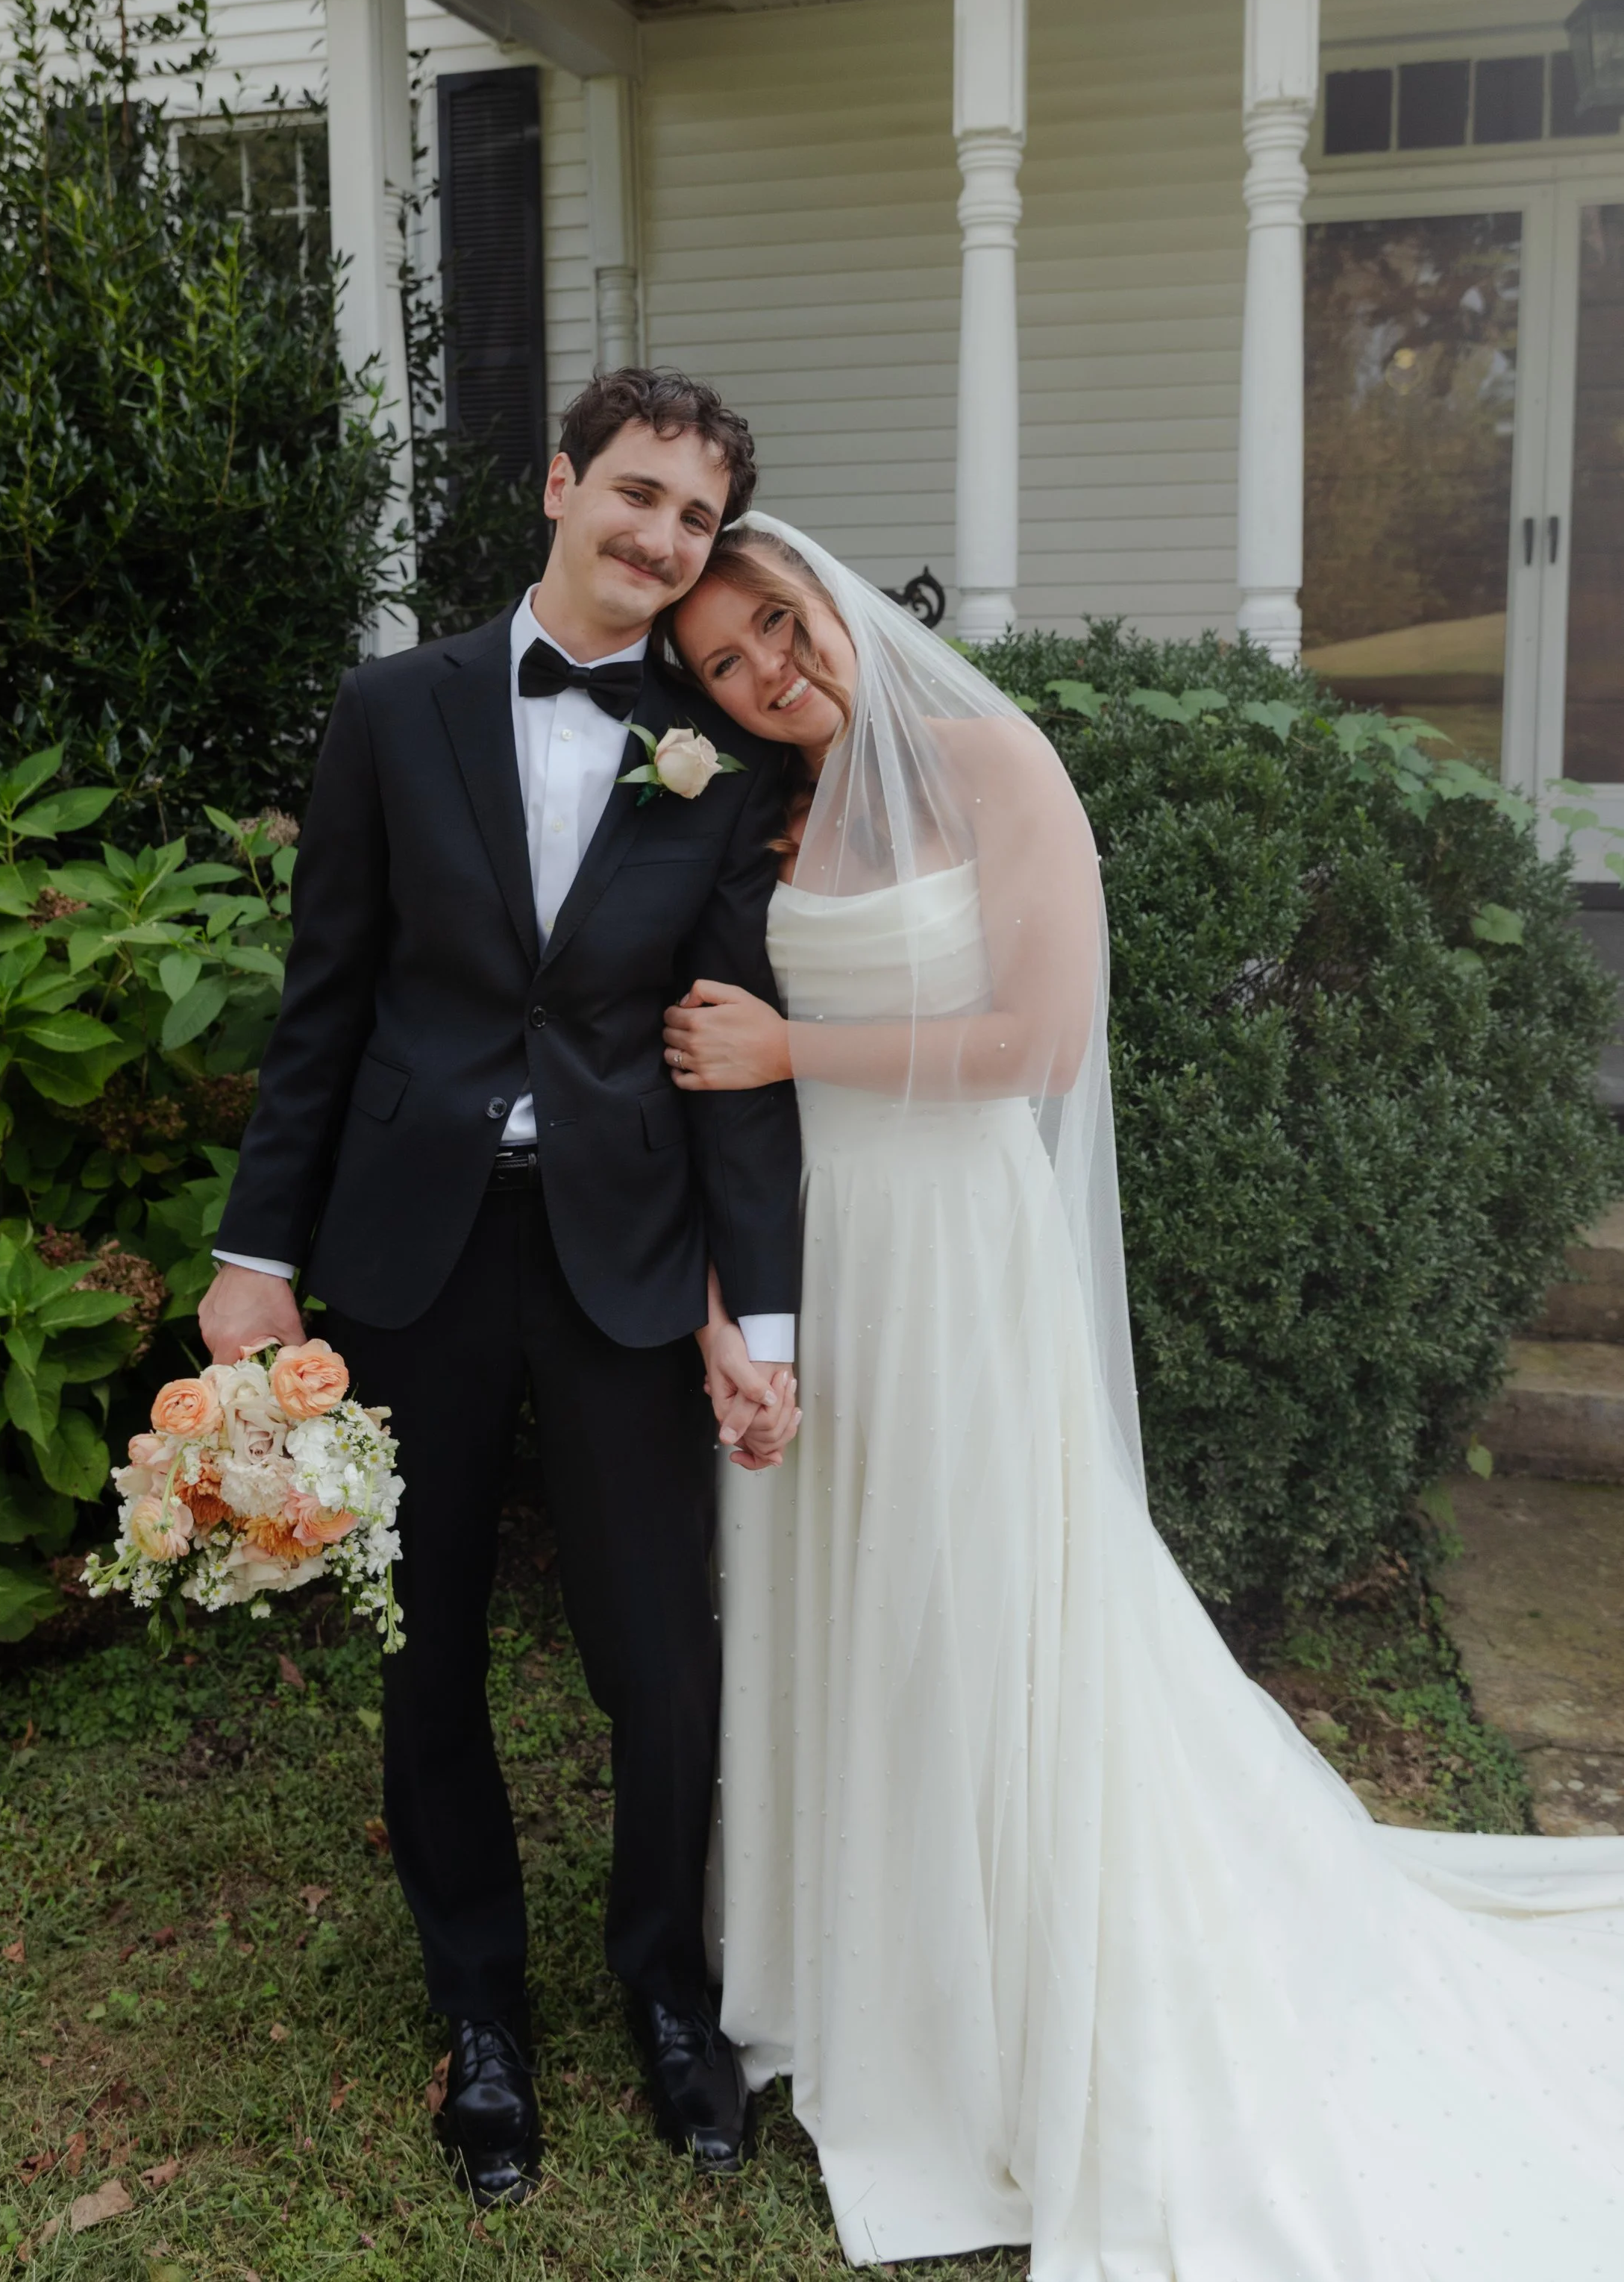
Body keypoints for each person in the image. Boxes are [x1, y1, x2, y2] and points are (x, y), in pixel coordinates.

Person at [659, 512, 1624, 2278]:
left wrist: (793, 1042)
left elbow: (1036, 1038)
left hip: (957, 1256)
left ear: (832, 597)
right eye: (722, 666)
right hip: (825, 1254)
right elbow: (720, 1100)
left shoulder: (990, 763)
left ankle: (981, 1998)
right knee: (845, 1605)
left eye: (775, 627)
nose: (764, 674)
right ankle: (847, 1975)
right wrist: (739, 1309)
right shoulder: (764, 823)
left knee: (967, 1614)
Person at [197, 372, 804, 2207]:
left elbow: (720, 1058)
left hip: (618, 1249)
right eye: (635, 496)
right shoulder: (394, 710)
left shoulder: (718, 752)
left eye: (694, 521)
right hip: (409, 1248)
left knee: (655, 1653)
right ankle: (480, 2009)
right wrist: (253, 1258)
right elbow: (326, 1003)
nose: (659, 542)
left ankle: (666, 1998)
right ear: (559, 484)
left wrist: (755, 1317)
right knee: (430, 1635)